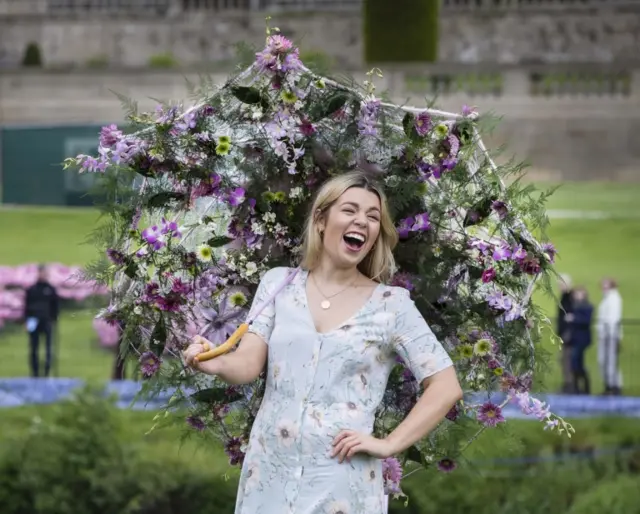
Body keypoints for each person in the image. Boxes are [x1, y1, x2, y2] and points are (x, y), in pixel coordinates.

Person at [184, 171, 463, 514]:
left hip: (343, 482)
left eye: (372, 216)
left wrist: (390, 443)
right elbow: (246, 364)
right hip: (269, 474)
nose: (362, 221)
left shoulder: (393, 305)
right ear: (320, 219)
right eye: (350, 210)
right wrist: (212, 363)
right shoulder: (278, 285)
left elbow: (445, 386)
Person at [24, 264, 60, 378]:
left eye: (44, 272)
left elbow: (55, 306)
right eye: (41, 272)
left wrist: (54, 319)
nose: (42, 275)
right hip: (33, 320)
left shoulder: (51, 289)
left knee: (48, 348)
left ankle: (46, 372)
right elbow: (26, 306)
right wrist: (26, 320)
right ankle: (34, 373)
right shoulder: (31, 289)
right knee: (33, 347)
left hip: (47, 321)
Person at [597, 278, 623, 396]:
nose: (604, 288)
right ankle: (609, 385)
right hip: (605, 335)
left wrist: (610, 333)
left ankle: (614, 386)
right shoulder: (608, 298)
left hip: (610, 335)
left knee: (610, 361)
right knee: (604, 360)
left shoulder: (614, 299)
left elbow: (613, 318)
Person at [566, 287, 593, 395]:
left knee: (576, 360)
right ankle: (578, 387)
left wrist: (574, 318)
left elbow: (586, 321)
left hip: (582, 338)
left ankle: (583, 386)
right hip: (576, 338)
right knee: (576, 361)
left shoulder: (587, 307)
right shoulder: (575, 306)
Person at [557, 274, 574, 393]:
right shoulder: (564, 297)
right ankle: (567, 383)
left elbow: (570, 316)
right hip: (564, 334)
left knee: (567, 360)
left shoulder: (569, 297)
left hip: (568, 335)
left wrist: (567, 332)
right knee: (564, 360)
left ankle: (569, 385)